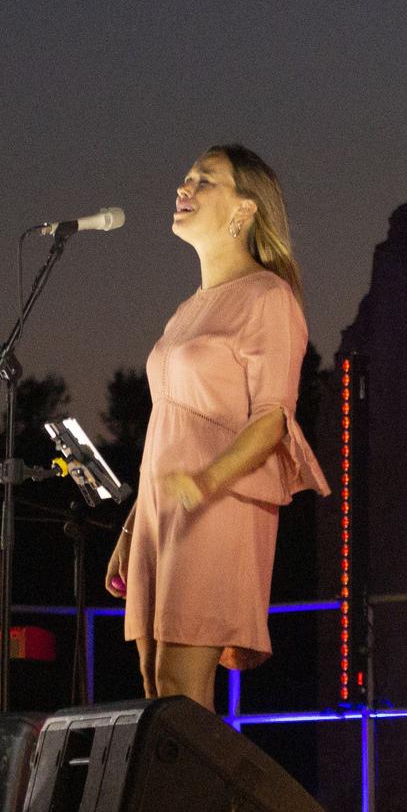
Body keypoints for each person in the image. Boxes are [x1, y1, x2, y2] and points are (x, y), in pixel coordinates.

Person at [105, 144, 329, 710]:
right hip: (162, 512)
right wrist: (132, 529)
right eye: (185, 178)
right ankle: (174, 800)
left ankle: (199, 802)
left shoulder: (268, 298)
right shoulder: (186, 310)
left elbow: (272, 420)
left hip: (217, 503)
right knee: (156, 687)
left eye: (205, 181)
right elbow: (168, 428)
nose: (185, 189)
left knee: (180, 685)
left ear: (245, 210)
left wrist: (204, 483)